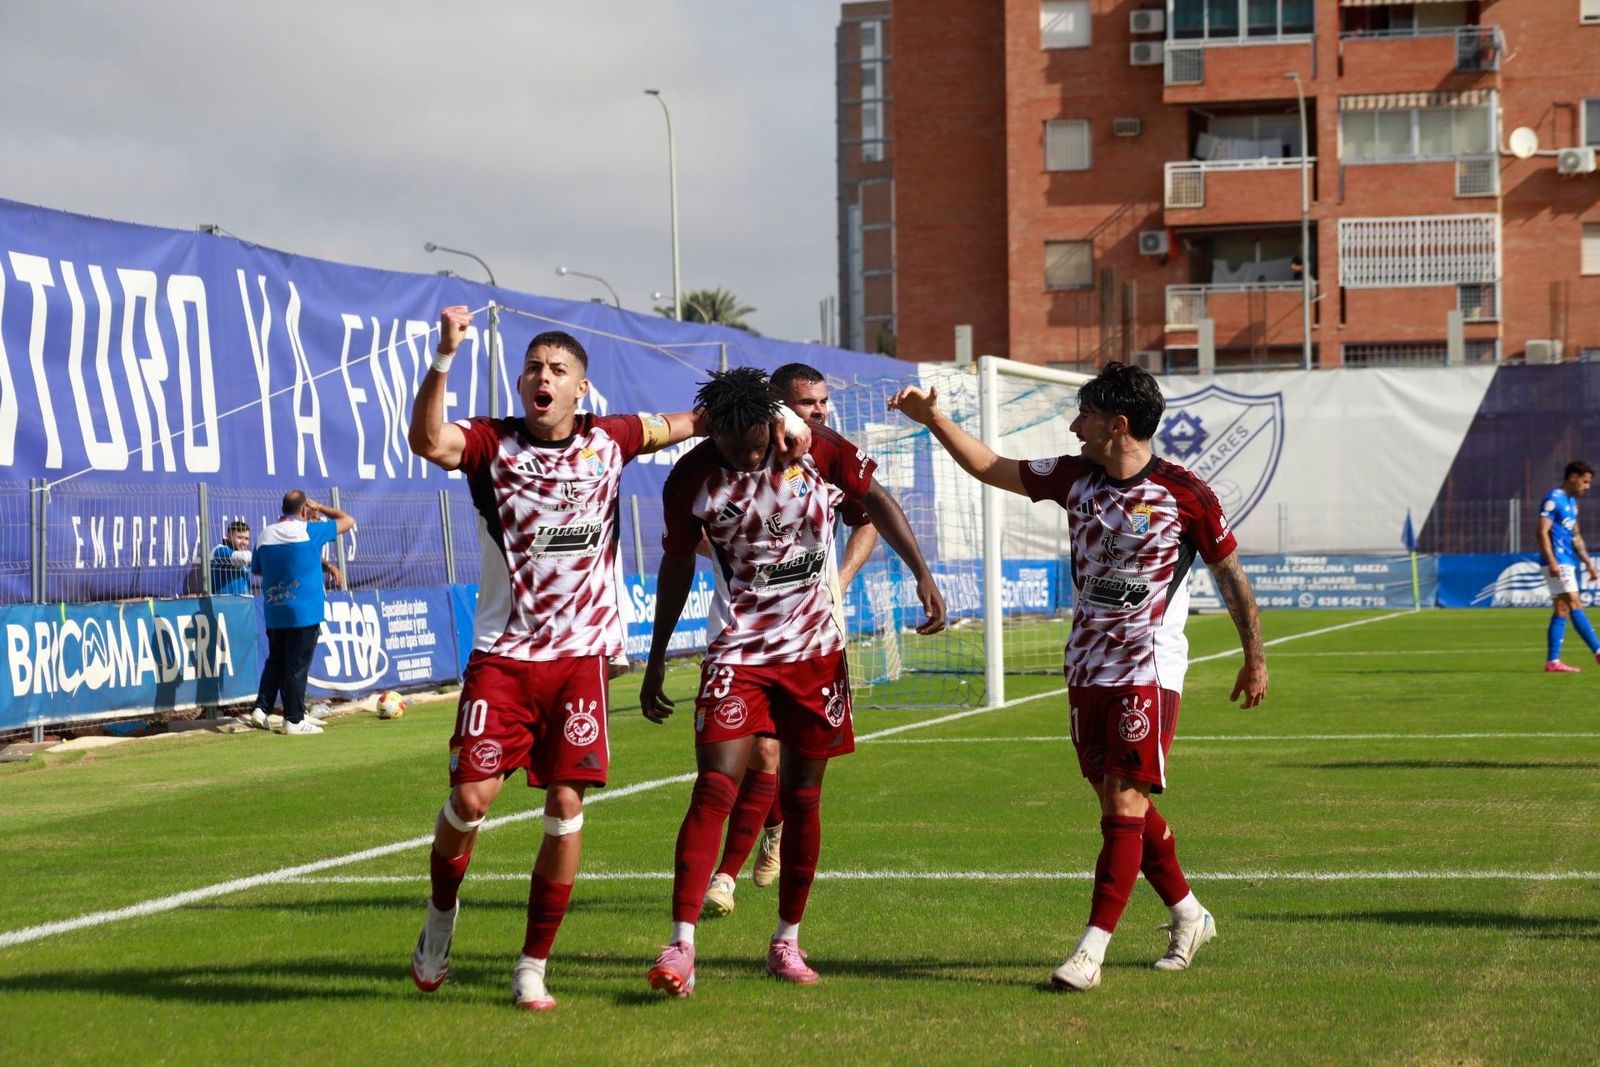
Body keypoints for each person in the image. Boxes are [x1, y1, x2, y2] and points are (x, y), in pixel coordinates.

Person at [405, 307, 809, 1012]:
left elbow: (697, 420)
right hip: (504, 656)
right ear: (521, 379)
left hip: (580, 662)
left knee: (565, 805)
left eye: (558, 370)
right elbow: (427, 439)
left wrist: (771, 412)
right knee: (471, 801)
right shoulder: (489, 444)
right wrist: (442, 357)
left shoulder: (611, 438)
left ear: (580, 390)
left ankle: (532, 965)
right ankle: (441, 913)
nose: (543, 377)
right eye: (534, 366)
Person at [888, 360, 1268, 993]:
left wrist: (1253, 654)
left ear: (1118, 425)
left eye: (1085, 415)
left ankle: (1090, 952)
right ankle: (1190, 914)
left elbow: (1232, 577)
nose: (1073, 425)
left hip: (1147, 665)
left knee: (1123, 798)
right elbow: (990, 467)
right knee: (1119, 800)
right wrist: (935, 421)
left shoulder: (1186, 495)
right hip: (1086, 662)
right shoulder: (1074, 477)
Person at [641, 367, 946, 995]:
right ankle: (680, 946)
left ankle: (786, 941)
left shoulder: (815, 445)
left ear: (770, 420)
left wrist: (923, 574)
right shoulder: (692, 477)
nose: (749, 457)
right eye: (733, 447)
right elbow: (675, 565)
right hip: (739, 654)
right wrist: (656, 656)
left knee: (804, 798)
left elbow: (878, 502)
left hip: (815, 655)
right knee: (713, 787)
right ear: (713, 432)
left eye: (756, 442)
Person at [700, 362, 881, 919]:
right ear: (774, 405)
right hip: (740, 630)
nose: (819, 412)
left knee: (779, 753)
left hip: (809, 634)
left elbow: (871, 516)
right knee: (758, 750)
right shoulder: (726, 458)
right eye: (807, 403)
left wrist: (840, 578)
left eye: (823, 401)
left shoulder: (827, 453)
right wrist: (737, 557)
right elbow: (683, 538)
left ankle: (746, 860)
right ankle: (742, 859)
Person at [248, 492, 355, 736]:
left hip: (275, 609)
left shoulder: (265, 534)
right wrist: (322, 507)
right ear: (305, 510)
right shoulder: (310, 531)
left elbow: (258, 569)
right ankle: (293, 720)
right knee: (296, 666)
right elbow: (348, 520)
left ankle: (262, 709)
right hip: (304, 611)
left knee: (277, 661)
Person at [1538, 460, 1600, 672]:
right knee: (1575, 603)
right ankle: (1599, 651)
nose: (1587, 486)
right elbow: (1541, 531)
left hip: (1567, 561)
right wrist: (1552, 561)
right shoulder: (1553, 499)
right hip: (1557, 561)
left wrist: (1589, 564)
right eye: (1585, 481)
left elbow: (1576, 537)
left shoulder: (1572, 504)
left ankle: (1553, 662)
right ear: (1573, 477)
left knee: (1562, 609)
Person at [210, 521, 253, 596]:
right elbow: (243, 558)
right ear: (229, 536)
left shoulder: (245, 554)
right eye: (239, 538)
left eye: (246, 539)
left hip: (244, 604)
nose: (244, 542)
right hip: (223, 604)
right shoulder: (219, 550)